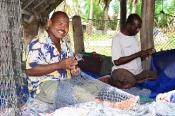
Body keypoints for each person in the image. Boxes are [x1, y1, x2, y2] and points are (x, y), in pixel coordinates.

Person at [26, 11, 80, 103]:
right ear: (50, 23)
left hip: (64, 83)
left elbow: (72, 63)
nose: (63, 28)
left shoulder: (64, 45)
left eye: (66, 26)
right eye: (60, 23)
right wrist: (59, 65)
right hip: (44, 87)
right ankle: (102, 102)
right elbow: (30, 70)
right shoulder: (38, 43)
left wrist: (75, 70)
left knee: (89, 88)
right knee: (76, 93)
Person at [107, 13, 157, 89]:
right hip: (121, 70)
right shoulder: (118, 39)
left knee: (157, 74)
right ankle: (109, 80)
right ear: (128, 25)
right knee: (128, 84)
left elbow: (137, 57)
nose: (138, 30)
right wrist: (138, 54)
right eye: (136, 28)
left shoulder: (135, 37)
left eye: (139, 28)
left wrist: (147, 52)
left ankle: (137, 80)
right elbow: (117, 62)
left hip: (137, 72)